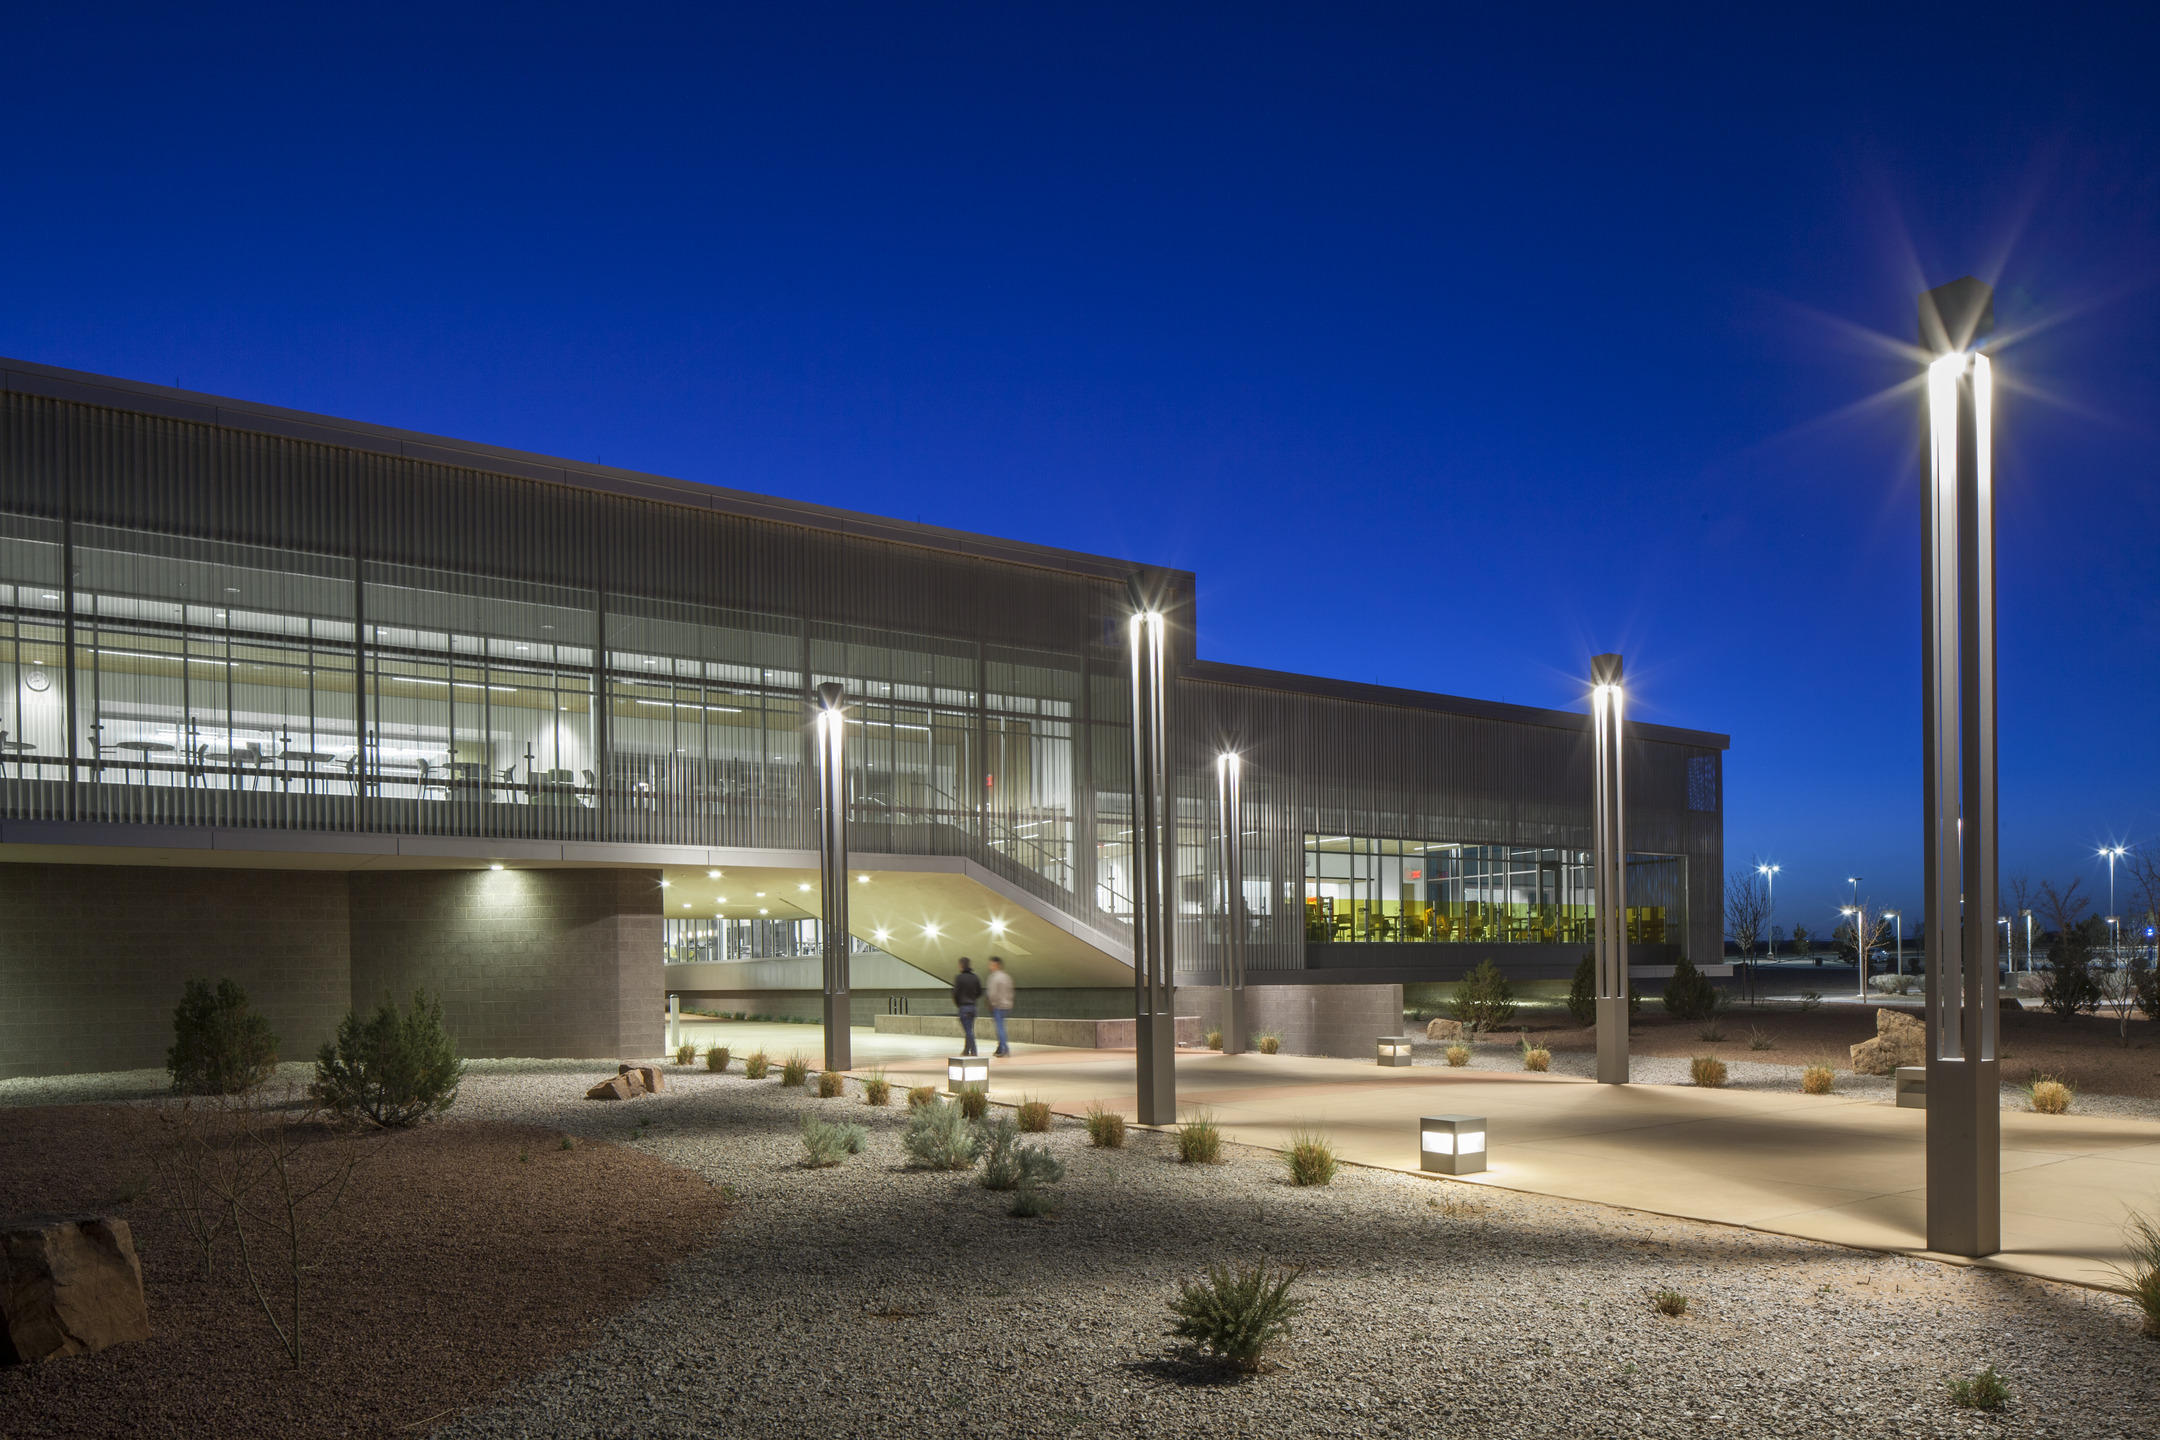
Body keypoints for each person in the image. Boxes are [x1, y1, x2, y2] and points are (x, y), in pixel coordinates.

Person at [951, 956, 984, 1056]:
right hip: (973, 1006)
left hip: (964, 1006)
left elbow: (955, 994)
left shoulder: (959, 978)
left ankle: (974, 1050)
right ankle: (966, 1050)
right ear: (969, 965)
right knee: (969, 1029)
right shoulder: (975, 977)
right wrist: (973, 998)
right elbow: (980, 992)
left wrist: (959, 1004)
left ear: (960, 965)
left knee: (968, 1030)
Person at [985, 955, 1014, 1057]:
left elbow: (993, 993)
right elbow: (1011, 992)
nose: (990, 967)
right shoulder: (1007, 977)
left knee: (1000, 1028)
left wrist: (992, 1003)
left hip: (998, 1006)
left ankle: (1005, 1049)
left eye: (991, 965)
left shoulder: (994, 978)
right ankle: (1001, 1047)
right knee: (1002, 1027)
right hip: (1007, 1006)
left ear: (996, 965)